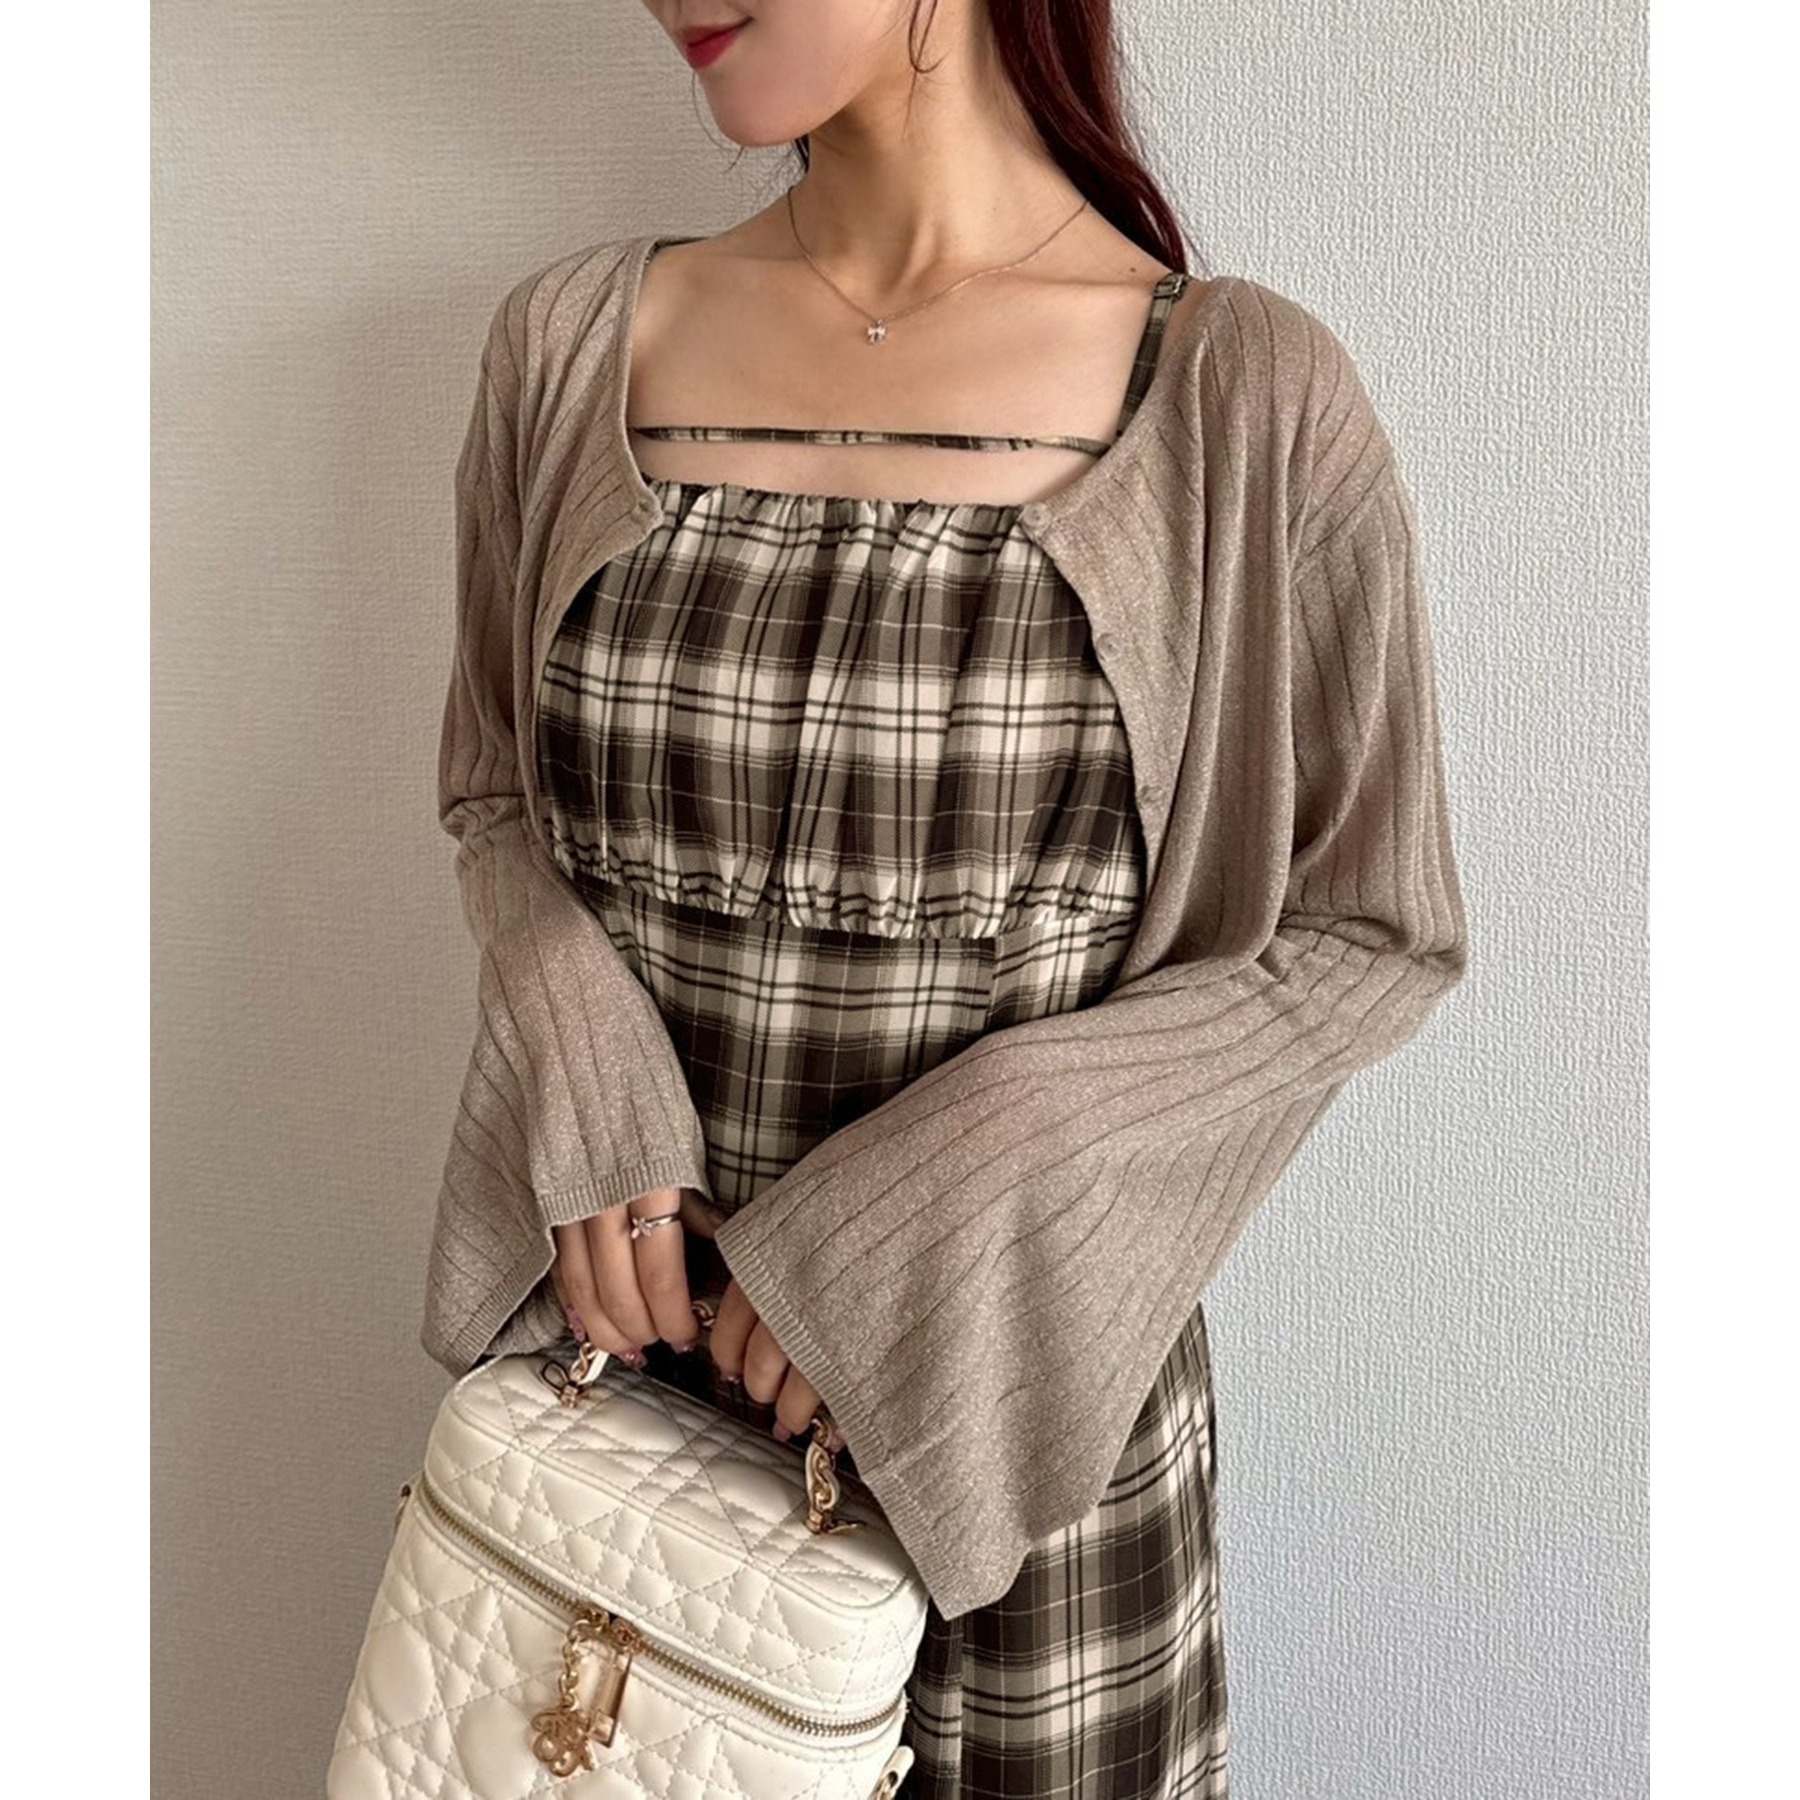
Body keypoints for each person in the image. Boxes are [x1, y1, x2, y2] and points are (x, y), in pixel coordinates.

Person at [421, 3, 1471, 1794]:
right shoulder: (571, 344)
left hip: (1019, 1449)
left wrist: (949, 1194)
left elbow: (1374, 932)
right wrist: (577, 1055)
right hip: (614, 1432)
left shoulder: (1242, 399)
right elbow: (492, 793)